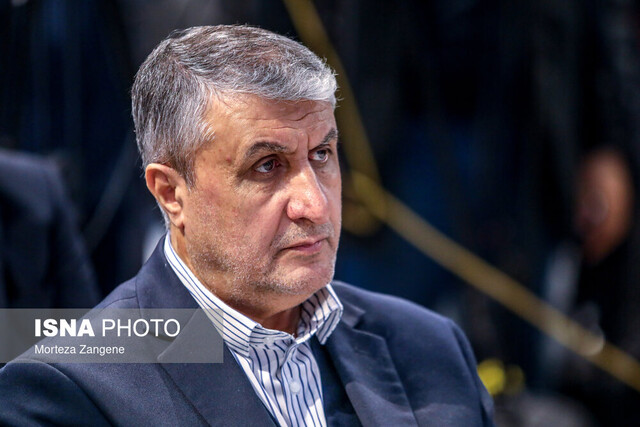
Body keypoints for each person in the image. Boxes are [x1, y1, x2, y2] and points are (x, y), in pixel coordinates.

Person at [0, 25, 494, 426]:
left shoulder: (431, 348)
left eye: (322, 154)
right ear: (171, 193)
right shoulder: (68, 388)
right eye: (267, 166)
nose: (314, 205)